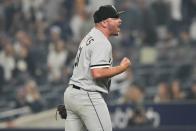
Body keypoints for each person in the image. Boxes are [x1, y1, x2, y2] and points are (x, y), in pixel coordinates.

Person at [63, 5, 131, 131]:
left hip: (71, 94)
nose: (120, 20)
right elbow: (97, 73)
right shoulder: (101, 41)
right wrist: (122, 68)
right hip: (87, 95)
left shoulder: (89, 36)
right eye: (115, 17)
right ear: (105, 22)